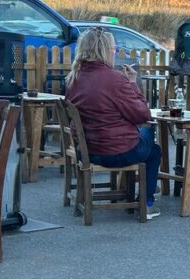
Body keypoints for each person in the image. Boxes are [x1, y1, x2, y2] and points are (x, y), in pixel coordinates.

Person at [65, 27, 161, 219]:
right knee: (153, 147)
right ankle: (147, 202)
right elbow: (142, 115)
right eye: (113, 49)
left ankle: (130, 191)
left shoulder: (73, 78)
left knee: (142, 137)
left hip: (88, 152)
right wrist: (133, 83)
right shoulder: (115, 80)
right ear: (105, 51)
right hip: (116, 152)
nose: (114, 53)